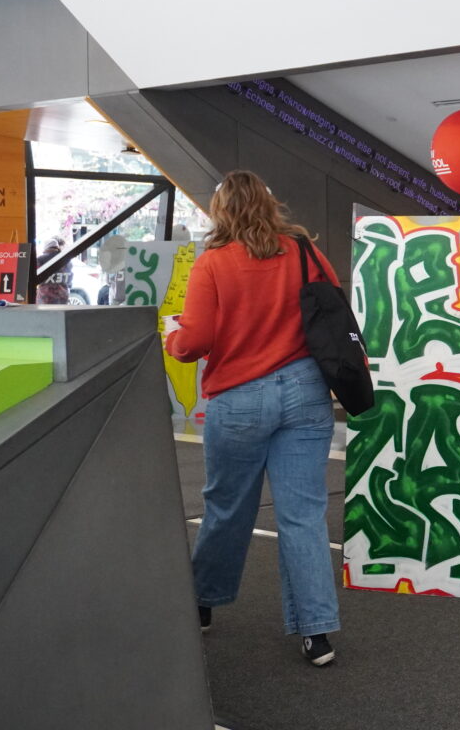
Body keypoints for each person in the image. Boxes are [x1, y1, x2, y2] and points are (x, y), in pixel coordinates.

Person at [165, 170, 341, 666]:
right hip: (306, 393)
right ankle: (317, 633)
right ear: (270, 204)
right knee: (304, 515)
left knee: (226, 508)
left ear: (220, 211)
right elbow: (332, 309)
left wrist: (172, 340)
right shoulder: (305, 252)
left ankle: (201, 605)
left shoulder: (214, 264)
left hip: (239, 398)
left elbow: (194, 341)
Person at [35, 236, 72, 304]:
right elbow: (70, 281)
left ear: (46, 247)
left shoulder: (40, 259)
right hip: (62, 298)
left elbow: (34, 278)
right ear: (57, 247)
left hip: (46, 298)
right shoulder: (67, 260)